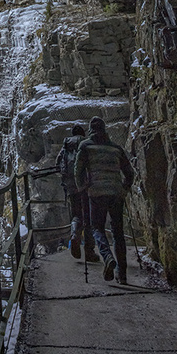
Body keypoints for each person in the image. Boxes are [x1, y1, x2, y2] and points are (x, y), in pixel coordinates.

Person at [74, 116, 134, 284]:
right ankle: (122, 275)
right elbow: (129, 173)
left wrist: (82, 187)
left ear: (91, 130)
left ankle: (107, 257)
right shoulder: (116, 148)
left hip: (96, 193)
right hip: (116, 193)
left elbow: (78, 170)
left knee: (97, 228)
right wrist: (124, 189)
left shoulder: (85, 146)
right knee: (118, 233)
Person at [56, 124, 99, 263]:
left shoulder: (65, 146)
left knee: (76, 215)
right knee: (89, 219)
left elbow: (58, 164)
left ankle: (74, 235)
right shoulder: (86, 144)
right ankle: (89, 251)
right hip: (86, 186)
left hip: (71, 188)